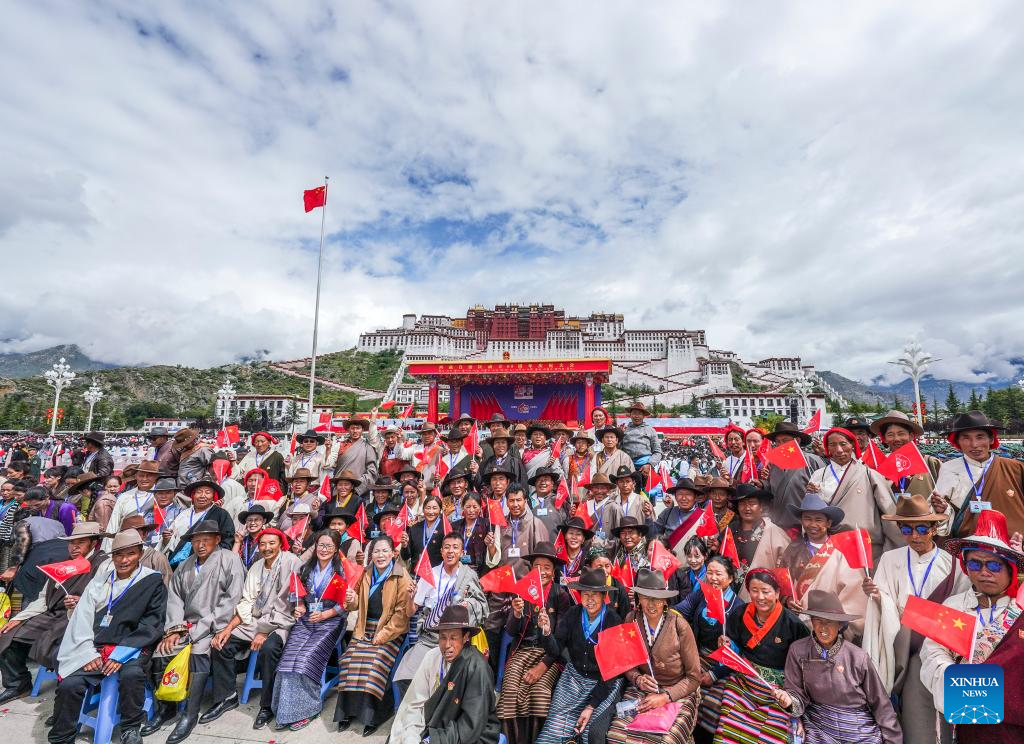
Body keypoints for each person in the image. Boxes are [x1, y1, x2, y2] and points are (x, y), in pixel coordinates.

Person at [48, 529, 167, 744]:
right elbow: (82, 618)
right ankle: (62, 737)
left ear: (140, 554)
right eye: (118, 555)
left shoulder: (152, 581)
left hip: (133, 645)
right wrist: (87, 653)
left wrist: (121, 654)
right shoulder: (100, 581)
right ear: (112, 556)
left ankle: (130, 727)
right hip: (96, 646)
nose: (124, 560)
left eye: (130, 554)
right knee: (70, 684)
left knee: (132, 675)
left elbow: (152, 623)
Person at [142, 520, 246, 743]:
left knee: (199, 654)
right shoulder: (185, 565)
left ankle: (190, 713)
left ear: (217, 539)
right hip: (185, 626)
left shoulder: (230, 559)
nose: (200, 545)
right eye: (196, 541)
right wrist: (175, 629)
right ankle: (166, 708)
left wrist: (203, 627)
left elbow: (232, 599)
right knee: (161, 652)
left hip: (213, 626)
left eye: (206, 540)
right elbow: (175, 599)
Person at [861, 494, 951, 744]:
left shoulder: (950, 565)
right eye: (907, 529)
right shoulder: (890, 559)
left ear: (934, 529)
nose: (915, 536)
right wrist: (878, 597)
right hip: (901, 646)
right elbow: (884, 600)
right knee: (912, 714)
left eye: (922, 529)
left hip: (938, 646)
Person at [920, 528, 1024, 744]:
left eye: (994, 565)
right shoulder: (954, 607)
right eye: (975, 564)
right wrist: (964, 685)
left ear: (1010, 569)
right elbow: (933, 656)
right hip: (971, 721)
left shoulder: (1020, 610)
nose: (984, 572)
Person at [0, 522, 108, 704]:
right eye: (72, 543)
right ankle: (18, 684)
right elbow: (43, 599)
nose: (74, 547)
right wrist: (19, 618)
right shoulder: (63, 564)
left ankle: (67, 697)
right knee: (7, 634)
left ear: (94, 543)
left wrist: (82, 602)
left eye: (81, 542)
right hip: (52, 613)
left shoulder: (103, 564)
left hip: (79, 618)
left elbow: (106, 597)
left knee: (59, 645)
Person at [203, 527, 300, 727]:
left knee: (269, 649)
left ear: (281, 544)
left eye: (272, 543)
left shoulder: (291, 562)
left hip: (281, 621)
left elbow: (287, 605)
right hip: (256, 620)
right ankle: (227, 696)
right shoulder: (257, 566)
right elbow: (247, 601)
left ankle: (267, 706)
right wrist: (228, 628)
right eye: (262, 544)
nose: (266, 548)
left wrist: (264, 631)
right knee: (221, 644)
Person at [775, 590, 901, 743]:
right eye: (818, 620)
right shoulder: (798, 651)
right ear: (812, 621)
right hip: (818, 728)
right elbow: (795, 693)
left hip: (857, 729)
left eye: (829, 621)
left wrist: (892, 740)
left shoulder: (858, 657)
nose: (823, 627)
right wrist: (789, 700)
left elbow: (881, 703)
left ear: (840, 625)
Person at [709, 569, 810, 744]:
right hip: (744, 681)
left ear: (777, 593)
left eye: (766, 591)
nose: (760, 597)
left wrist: (795, 701)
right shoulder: (740, 613)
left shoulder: (793, 625)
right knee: (727, 720)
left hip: (777, 689)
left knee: (773, 734)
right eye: (754, 590)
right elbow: (734, 649)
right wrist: (727, 645)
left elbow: (804, 666)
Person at [605, 569, 702, 744]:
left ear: (665, 600)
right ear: (638, 598)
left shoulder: (679, 625)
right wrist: (638, 679)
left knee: (666, 741)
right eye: (646, 597)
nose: (651, 604)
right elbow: (627, 662)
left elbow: (694, 677)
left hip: (678, 690)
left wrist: (665, 697)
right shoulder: (631, 619)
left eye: (657, 598)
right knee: (615, 736)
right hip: (641, 689)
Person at [271, 529, 351, 731]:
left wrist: (326, 614)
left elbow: (346, 605)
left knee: (305, 659)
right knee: (288, 660)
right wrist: (299, 606)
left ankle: (308, 709)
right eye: (320, 545)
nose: (324, 549)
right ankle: (285, 711)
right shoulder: (306, 568)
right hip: (307, 620)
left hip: (331, 621)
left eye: (329, 546)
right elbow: (297, 594)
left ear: (336, 549)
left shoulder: (342, 571)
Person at [536, 568, 625, 744]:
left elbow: (612, 671)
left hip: (603, 683)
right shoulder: (573, 614)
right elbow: (555, 650)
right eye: (585, 594)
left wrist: (591, 706)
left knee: (590, 733)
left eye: (595, 594)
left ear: (603, 596)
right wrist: (546, 632)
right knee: (553, 730)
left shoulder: (613, 621)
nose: (589, 599)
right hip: (574, 679)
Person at [334, 535, 411, 736]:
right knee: (349, 660)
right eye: (376, 551)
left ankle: (372, 716)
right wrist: (351, 599)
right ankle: (347, 712)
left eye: (385, 551)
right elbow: (355, 604)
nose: (380, 555)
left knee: (374, 664)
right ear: (371, 554)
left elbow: (401, 614)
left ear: (393, 553)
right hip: (364, 627)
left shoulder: (402, 575)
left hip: (390, 630)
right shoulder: (366, 572)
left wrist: (383, 635)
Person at [497, 541, 573, 744]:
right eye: (537, 566)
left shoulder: (560, 595)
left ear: (553, 571)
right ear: (531, 569)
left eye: (547, 567)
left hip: (549, 654)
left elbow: (561, 640)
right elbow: (511, 631)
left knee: (539, 693)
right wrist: (516, 613)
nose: (542, 571)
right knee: (510, 691)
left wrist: (542, 667)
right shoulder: (522, 590)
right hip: (522, 651)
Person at [392, 604, 501, 744]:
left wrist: (432, 741)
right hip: (439, 725)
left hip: (473, 734)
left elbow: (471, 723)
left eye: (453, 638)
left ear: (465, 637)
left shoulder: (476, 667)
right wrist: (411, 734)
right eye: (443, 637)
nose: (447, 644)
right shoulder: (432, 657)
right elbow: (416, 701)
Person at [394, 531, 487, 688]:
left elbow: (482, 606)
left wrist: (468, 605)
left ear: (462, 552)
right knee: (405, 676)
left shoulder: (469, 575)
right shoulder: (431, 574)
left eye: (455, 547)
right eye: (447, 547)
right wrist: (410, 597)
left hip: (456, 639)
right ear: (441, 551)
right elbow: (410, 612)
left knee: (451, 682)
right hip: (430, 637)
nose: (451, 551)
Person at [806, 427, 903, 563]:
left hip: (866, 545)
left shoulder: (869, 474)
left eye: (843, 444)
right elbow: (810, 511)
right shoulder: (818, 475)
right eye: (832, 445)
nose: (839, 450)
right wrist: (810, 495)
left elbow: (889, 512)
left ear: (852, 445)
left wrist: (895, 545)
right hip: (829, 545)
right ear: (827, 448)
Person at [779, 493, 867, 639]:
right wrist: (788, 600)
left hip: (832, 622)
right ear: (801, 520)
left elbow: (854, 591)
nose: (812, 524)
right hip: (797, 622)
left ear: (829, 523)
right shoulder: (792, 549)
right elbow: (781, 585)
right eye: (807, 519)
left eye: (818, 520)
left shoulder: (842, 551)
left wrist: (836, 618)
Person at [933, 410, 1024, 538]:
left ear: (991, 439)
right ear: (957, 441)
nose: (974, 445)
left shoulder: (1015, 468)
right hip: (967, 544)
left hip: (1013, 544)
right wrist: (944, 509)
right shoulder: (949, 468)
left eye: (980, 437)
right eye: (966, 438)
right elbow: (939, 512)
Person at [765, 422, 825, 532]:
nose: (781, 445)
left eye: (785, 440)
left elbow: (828, 487)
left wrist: (819, 489)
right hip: (778, 525)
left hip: (806, 526)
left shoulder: (813, 461)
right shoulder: (774, 464)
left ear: (797, 440)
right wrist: (762, 484)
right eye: (778, 441)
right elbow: (772, 490)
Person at [870, 410, 940, 497]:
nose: (896, 439)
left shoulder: (930, 463)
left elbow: (946, 496)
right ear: (885, 439)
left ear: (911, 436)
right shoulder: (879, 465)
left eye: (901, 434)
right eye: (890, 435)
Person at [731, 484, 790, 586]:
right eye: (742, 504)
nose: (747, 508)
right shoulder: (731, 529)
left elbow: (786, 564)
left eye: (752, 503)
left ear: (761, 507)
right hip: (731, 590)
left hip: (761, 589)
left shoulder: (774, 531)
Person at [164, 479, 235, 562]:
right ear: (193, 495)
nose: (202, 496)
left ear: (213, 496)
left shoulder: (221, 514)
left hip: (207, 561)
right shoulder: (183, 514)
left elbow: (227, 539)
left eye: (207, 492)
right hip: (178, 562)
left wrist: (214, 558)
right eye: (199, 492)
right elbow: (173, 539)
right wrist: (167, 539)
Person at [327, 417, 380, 496]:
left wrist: (357, 486)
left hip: (359, 490)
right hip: (340, 488)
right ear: (348, 430)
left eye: (358, 428)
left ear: (362, 430)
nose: (355, 431)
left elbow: (372, 471)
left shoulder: (368, 447)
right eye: (352, 428)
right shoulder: (339, 445)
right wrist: (328, 449)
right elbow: (328, 464)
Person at [653, 478, 705, 558]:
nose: (683, 498)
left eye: (688, 494)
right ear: (675, 496)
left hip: (695, 561)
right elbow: (654, 535)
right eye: (680, 494)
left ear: (695, 497)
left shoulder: (703, 516)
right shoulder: (667, 513)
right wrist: (648, 516)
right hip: (670, 561)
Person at [402, 494, 447, 569]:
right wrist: (404, 546)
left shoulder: (445, 528)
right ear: (423, 509)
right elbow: (405, 557)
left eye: (434, 508)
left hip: (437, 572)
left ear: (440, 510)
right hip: (417, 572)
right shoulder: (414, 528)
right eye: (428, 508)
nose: (431, 512)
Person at [579, 472, 623, 547]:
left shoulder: (615, 508)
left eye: (603, 488)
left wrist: (605, 545)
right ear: (591, 489)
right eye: (596, 487)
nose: (599, 491)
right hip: (586, 549)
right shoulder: (585, 505)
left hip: (607, 550)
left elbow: (620, 536)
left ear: (608, 489)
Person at [452, 493, 490, 576]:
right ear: (463, 507)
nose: (471, 510)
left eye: (475, 507)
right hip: (458, 569)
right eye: (468, 507)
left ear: (480, 508)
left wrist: (490, 544)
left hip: (480, 570)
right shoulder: (455, 525)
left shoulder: (486, 524)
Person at [622, 401, 662, 474]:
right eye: (634, 413)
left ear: (643, 416)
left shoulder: (650, 430)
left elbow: (658, 452)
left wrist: (649, 464)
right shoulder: (624, 430)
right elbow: (617, 449)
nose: (636, 416)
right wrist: (619, 434)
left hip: (645, 465)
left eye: (639, 413)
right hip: (627, 466)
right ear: (630, 415)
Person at [277, 468, 320, 534]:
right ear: (292, 484)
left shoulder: (314, 500)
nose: (298, 484)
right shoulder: (284, 499)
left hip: (302, 535)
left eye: (302, 481)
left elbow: (317, 523)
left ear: (308, 484)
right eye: (295, 481)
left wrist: (315, 510)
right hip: (282, 534)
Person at [528, 465, 570, 534]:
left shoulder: (560, 501)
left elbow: (567, 524)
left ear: (552, 483)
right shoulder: (527, 502)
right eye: (539, 480)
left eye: (546, 479)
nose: (542, 482)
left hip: (555, 539)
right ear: (535, 484)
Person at [555, 516, 592, 585]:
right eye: (571, 533)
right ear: (565, 536)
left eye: (578, 534)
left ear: (583, 539)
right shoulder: (557, 557)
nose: (574, 537)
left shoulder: (588, 560)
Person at [234, 504, 272, 571]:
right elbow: (232, 561)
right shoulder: (243, 539)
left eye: (256, 520)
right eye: (249, 520)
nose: (252, 523)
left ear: (263, 521)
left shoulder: (269, 539)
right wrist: (237, 542)